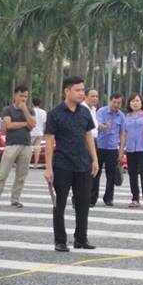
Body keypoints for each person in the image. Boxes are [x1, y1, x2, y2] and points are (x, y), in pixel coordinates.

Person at [44, 76, 99, 252]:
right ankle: (60, 240)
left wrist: (95, 159)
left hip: (83, 164)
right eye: (78, 90)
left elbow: (88, 135)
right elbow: (49, 141)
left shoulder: (85, 112)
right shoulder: (55, 114)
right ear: (67, 91)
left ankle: (80, 239)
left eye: (83, 90)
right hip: (62, 164)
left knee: (83, 203)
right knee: (59, 204)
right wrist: (48, 167)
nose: (81, 93)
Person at [0, 85, 37, 208]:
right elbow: (9, 125)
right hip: (11, 145)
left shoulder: (30, 110)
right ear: (15, 95)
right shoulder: (7, 110)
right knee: (3, 174)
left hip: (26, 145)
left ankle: (15, 199)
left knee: (21, 175)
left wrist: (25, 110)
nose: (23, 98)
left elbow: (32, 125)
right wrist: (25, 123)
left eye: (26, 96)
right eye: (21, 96)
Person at [92, 93, 126, 206]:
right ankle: (92, 198)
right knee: (95, 173)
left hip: (112, 148)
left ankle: (108, 198)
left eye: (119, 103)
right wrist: (105, 126)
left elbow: (122, 134)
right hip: (99, 146)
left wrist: (121, 150)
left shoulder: (121, 116)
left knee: (111, 175)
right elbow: (97, 126)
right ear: (110, 101)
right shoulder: (101, 111)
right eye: (114, 102)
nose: (116, 105)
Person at [31, 98, 47, 168]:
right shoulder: (43, 112)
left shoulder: (31, 111)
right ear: (39, 103)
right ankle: (36, 164)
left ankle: (27, 162)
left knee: (29, 148)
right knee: (37, 148)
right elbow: (45, 122)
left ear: (32, 103)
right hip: (40, 132)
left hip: (31, 132)